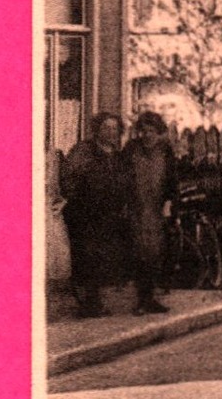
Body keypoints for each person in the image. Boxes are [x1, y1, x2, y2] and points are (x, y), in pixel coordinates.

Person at [59, 113, 126, 318]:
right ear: (97, 129)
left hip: (108, 213)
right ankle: (89, 302)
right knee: (87, 256)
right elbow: (68, 176)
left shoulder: (116, 155)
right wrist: (75, 198)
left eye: (114, 128)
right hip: (85, 212)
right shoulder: (84, 150)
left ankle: (94, 301)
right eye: (106, 127)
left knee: (103, 256)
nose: (111, 132)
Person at [124, 112, 178, 314]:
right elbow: (123, 178)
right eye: (144, 131)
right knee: (138, 253)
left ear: (159, 132)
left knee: (156, 254)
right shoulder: (131, 149)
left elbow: (172, 180)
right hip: (136, 209)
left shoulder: (165, 151)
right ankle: (141, 299)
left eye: (152, 131)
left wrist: (170, 204)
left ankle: (150, 298)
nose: (147, 135)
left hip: (157, 209)